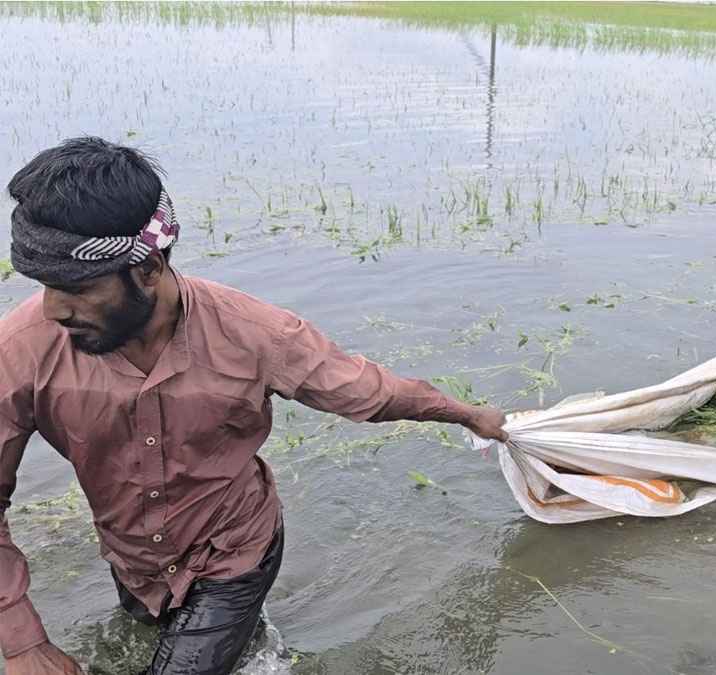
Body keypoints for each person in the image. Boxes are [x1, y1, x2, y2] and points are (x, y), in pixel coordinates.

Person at [0, 138, 510, 674]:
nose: (53, 309)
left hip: (235, 550)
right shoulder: (21, 351)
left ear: (147, 268)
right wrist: (23, 641)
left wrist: (467, 414)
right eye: (44, 286)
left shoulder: (258, 336)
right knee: (153, 637)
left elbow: (368, 392)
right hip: (132, 559)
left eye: (75, 288)